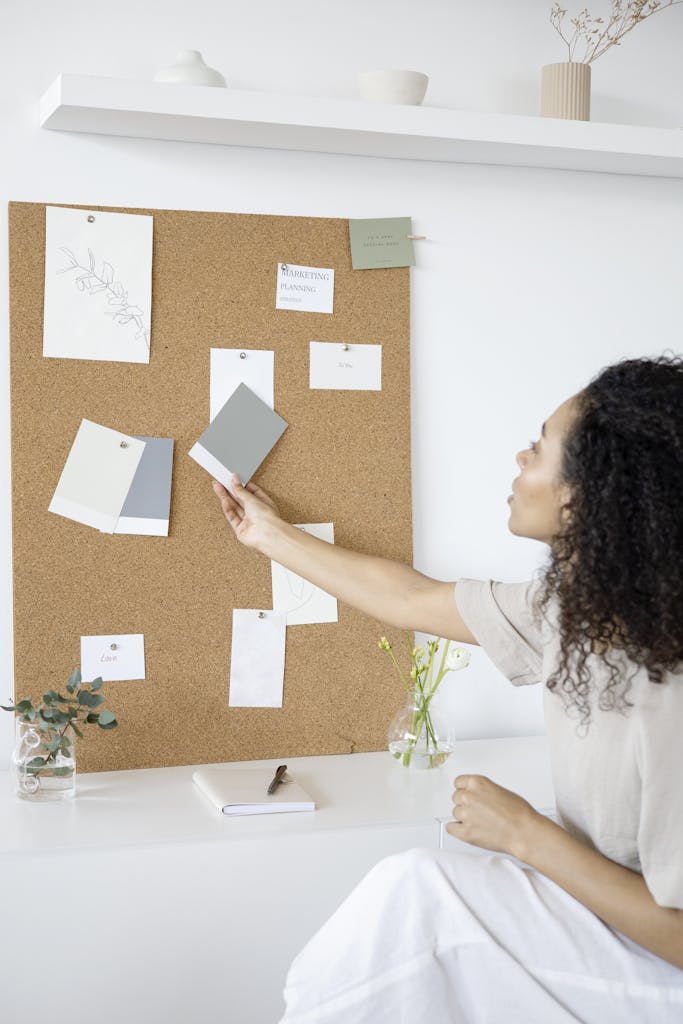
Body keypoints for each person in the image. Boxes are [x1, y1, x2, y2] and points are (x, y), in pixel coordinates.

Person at [212, 355, 683, 1023]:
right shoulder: (578, 611)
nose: (520, 457)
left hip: (659, 968)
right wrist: (269, 536)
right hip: (600, 921)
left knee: (418, 898)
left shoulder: (671, 685)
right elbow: (410, 599)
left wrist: (525, 836)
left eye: (540, 446)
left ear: (590, 493)